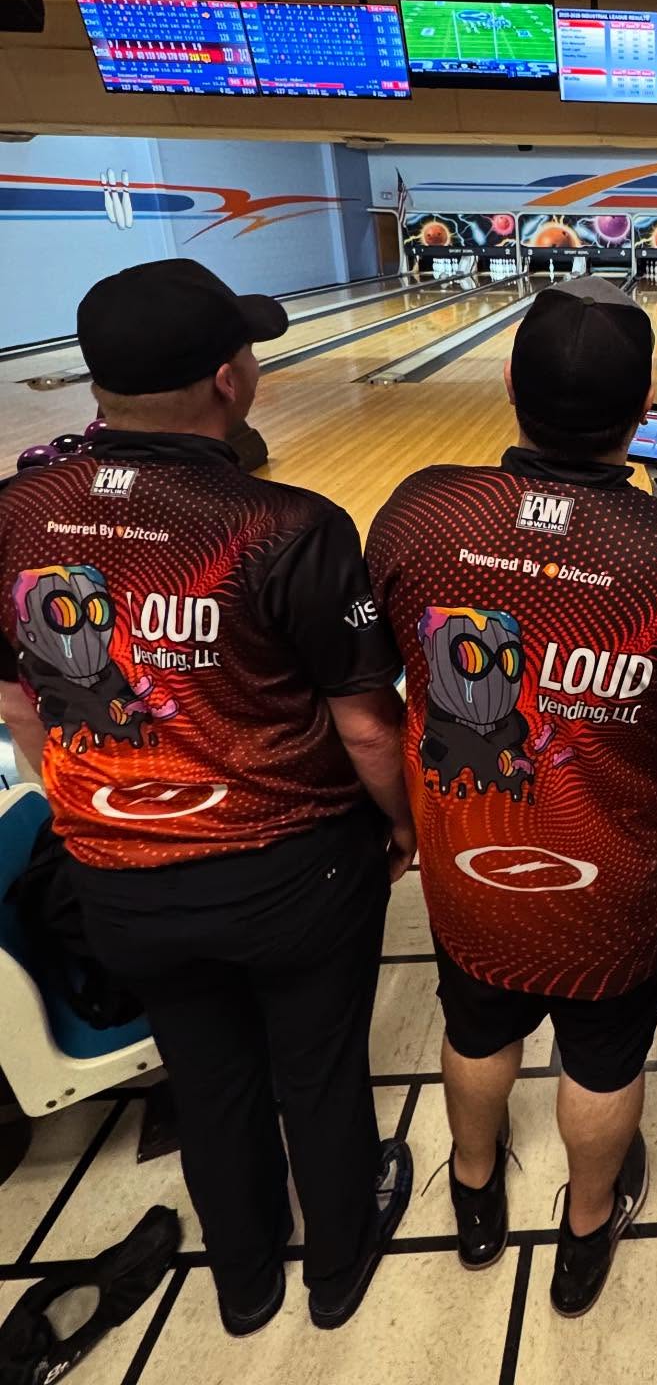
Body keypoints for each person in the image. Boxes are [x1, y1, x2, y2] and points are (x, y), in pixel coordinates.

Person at [0, 260, 416, 1336]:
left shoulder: (14, 510)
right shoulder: (287, 525)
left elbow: (18, 697)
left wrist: (90, 802)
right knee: (317, 1069)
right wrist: (406, 821)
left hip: (116, 873)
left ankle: (243, 1280)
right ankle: (338, 1265)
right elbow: (369, 723)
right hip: (291, 865)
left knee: (207, 1070)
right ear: (231, 377)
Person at [365, 277, 657, 1317]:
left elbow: (371, 672)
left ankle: (476, 1194)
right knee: (603, 1056)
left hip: (469, 862)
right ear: (642, 418)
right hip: (615, 882)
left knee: (478, 1028)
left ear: (505, 382)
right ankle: (585, 1228)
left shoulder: (417, 510)